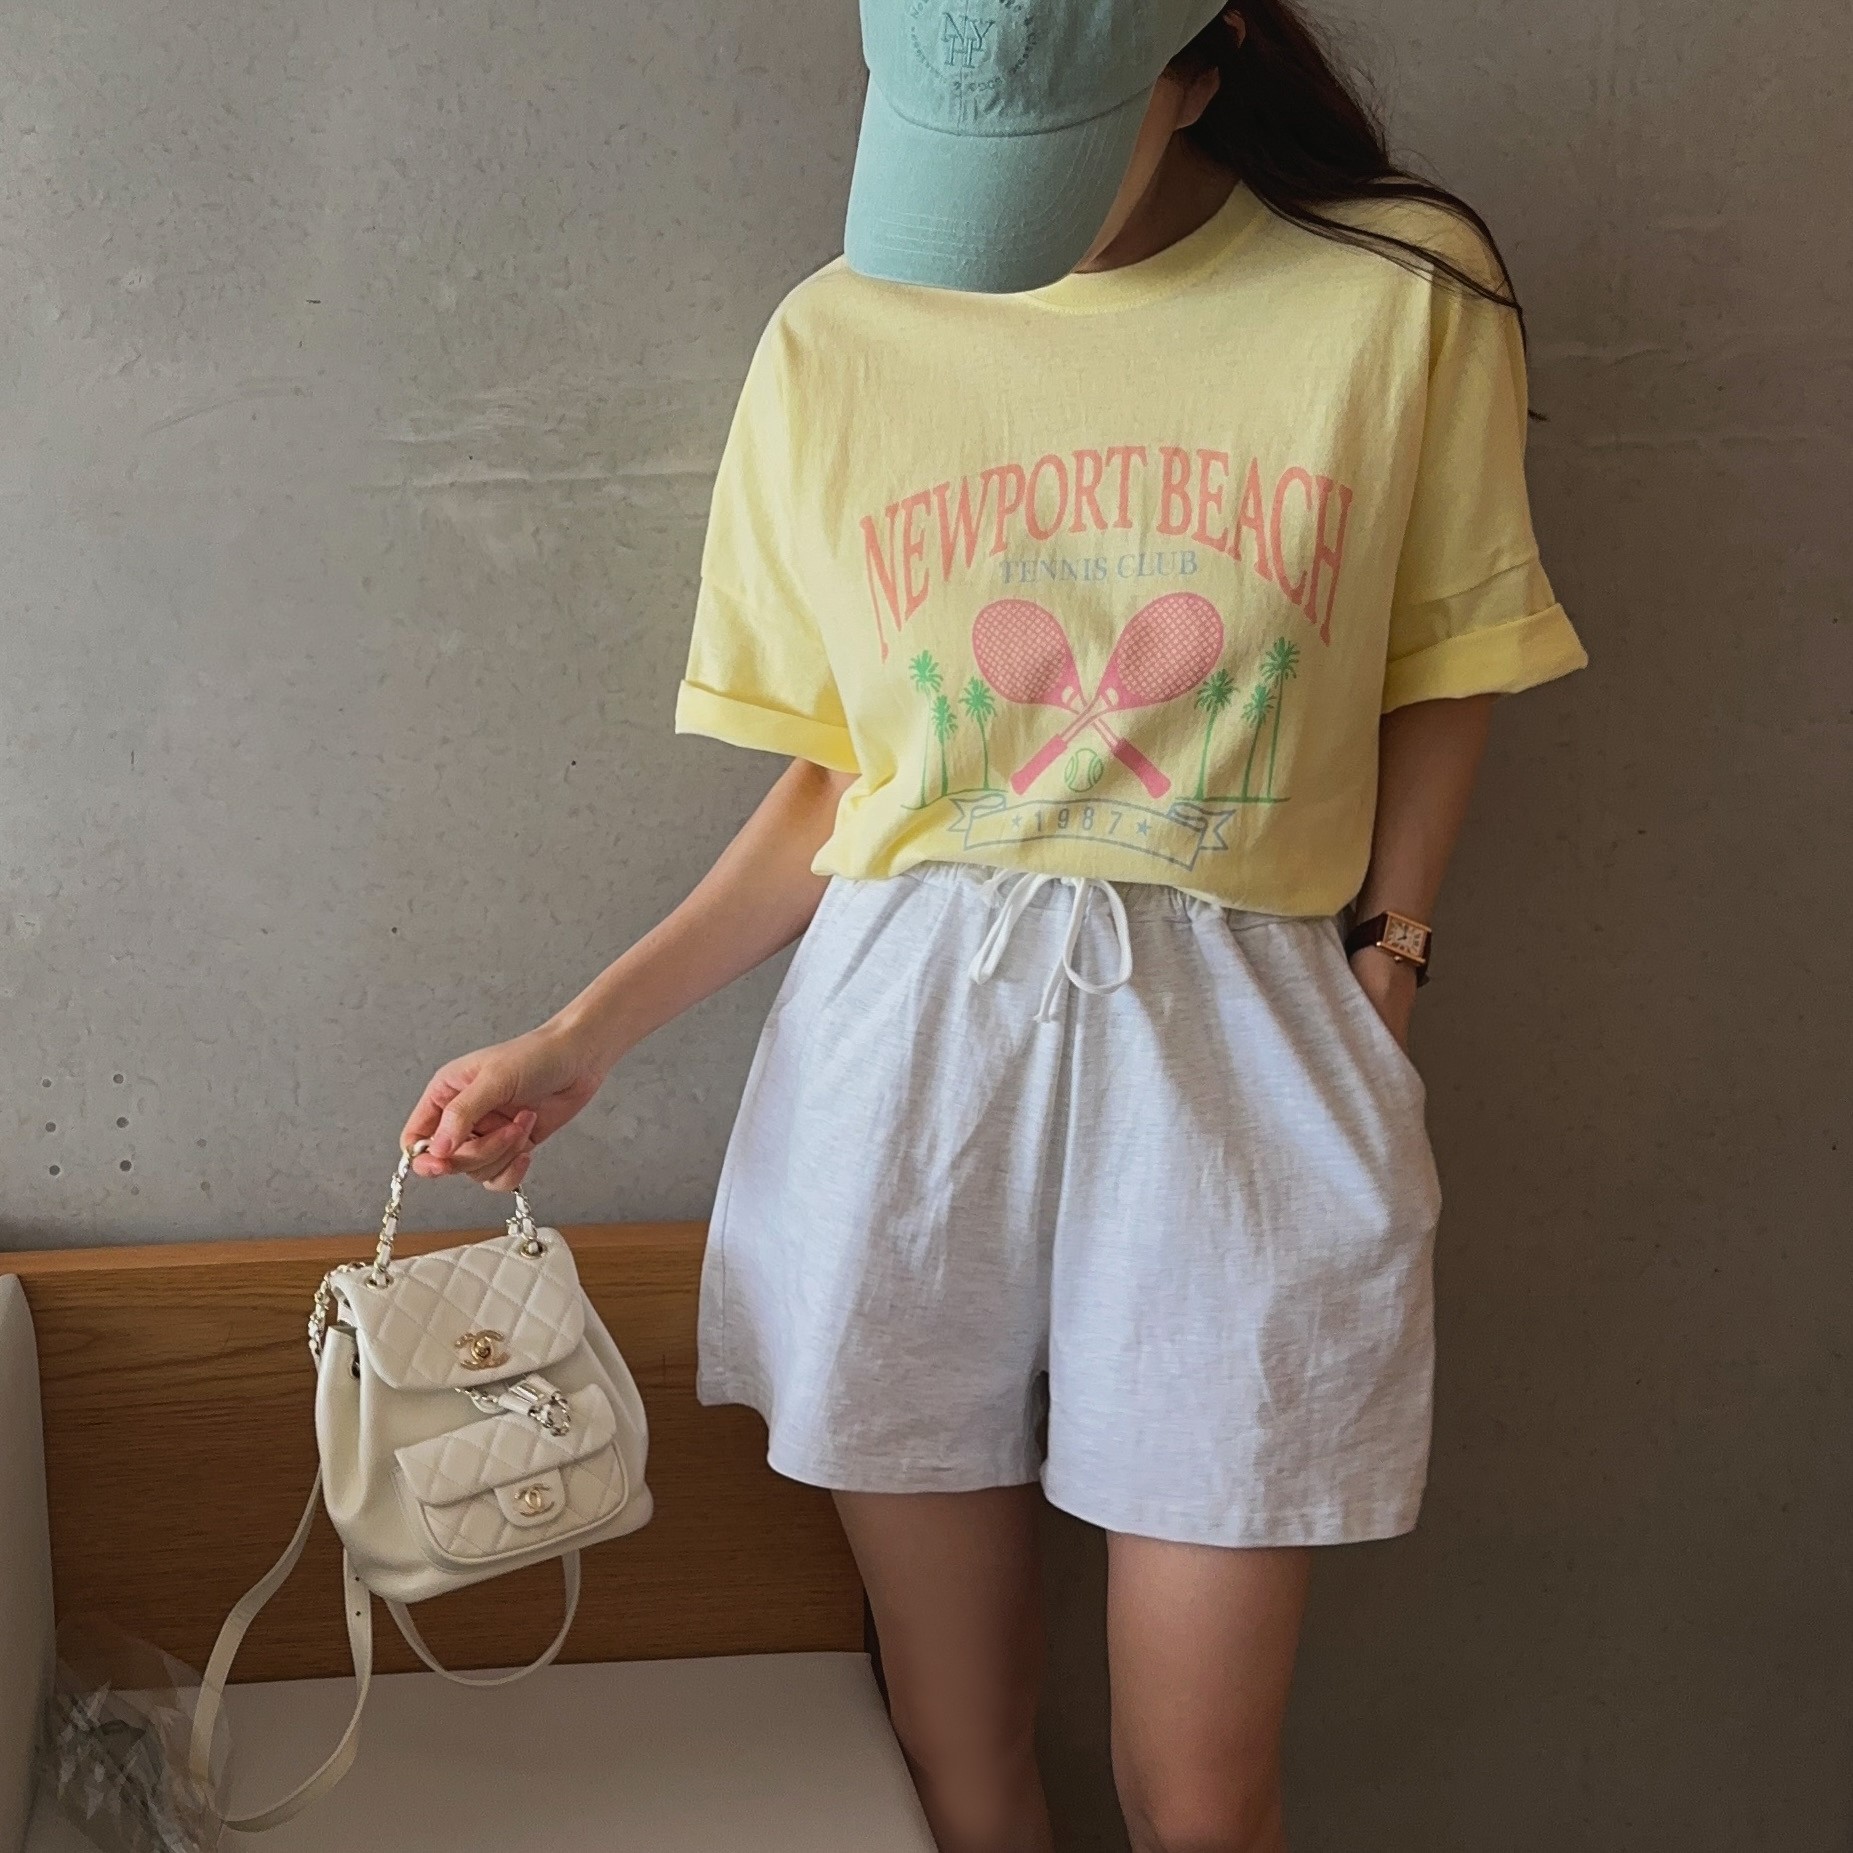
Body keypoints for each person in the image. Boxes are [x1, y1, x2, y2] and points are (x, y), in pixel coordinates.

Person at [402, 2, 1587, 1847]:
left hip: (1238, 1045)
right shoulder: (837, 334)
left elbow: (1452, 656)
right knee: (959, 1751)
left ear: (1196, 70)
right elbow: (847, 785)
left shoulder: (1393, 292)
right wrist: (582, 1035)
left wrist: (1386, 965)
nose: (988, 228)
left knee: (1200, 1793)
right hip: (905, 1046)